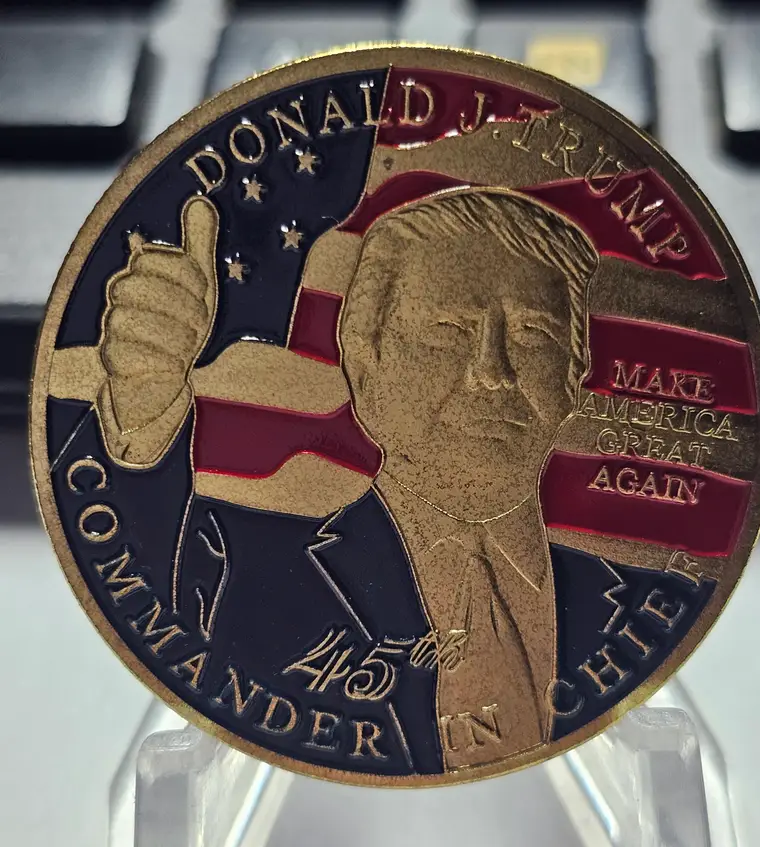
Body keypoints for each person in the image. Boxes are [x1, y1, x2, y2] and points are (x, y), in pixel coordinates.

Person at [94, 186, 600, 772]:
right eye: (447, 331)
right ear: (364, 359)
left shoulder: (618, 599)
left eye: (534, 336)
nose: (493, 372)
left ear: (574, 375)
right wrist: (146, 409)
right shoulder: (239, 565)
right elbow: (154, 578)